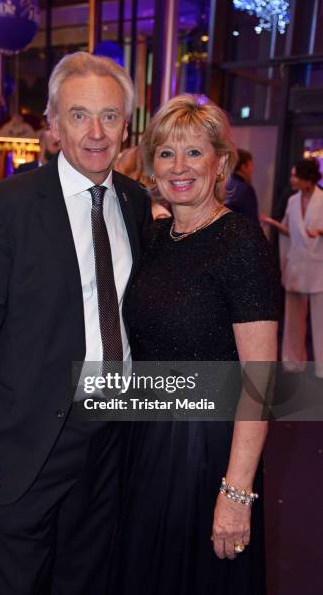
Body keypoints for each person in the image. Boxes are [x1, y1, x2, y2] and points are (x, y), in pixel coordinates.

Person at [0, 52, 150, 594]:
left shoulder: (135, 202)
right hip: (27, 447)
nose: (96, 132)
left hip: (112, 438)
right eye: (79, 115)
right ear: (54, 123)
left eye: (110, 116)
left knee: (88, 579)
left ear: (125, 125)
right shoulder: (4, 208)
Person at [111, 94, 280, 594]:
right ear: (151, 166)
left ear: (221, 162)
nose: (178, 167)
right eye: (166, 153)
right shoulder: (157, 238)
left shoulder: (241, 243)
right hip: (143, 441)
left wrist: (237, 491)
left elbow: (261, 379)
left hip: (205, 452)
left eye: (194, 153)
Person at [262, 158, 323, 377]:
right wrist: (273, 223)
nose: (291, 179)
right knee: (293, 319)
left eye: (295, 175)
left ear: (307, 179)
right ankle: (292, 361)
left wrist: (320, 233)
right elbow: (289, 231)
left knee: (320, 319)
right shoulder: (292, 201)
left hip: (319, 266)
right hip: (296, 264)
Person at [225, 148, 259, 224]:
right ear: (243, 167)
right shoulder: (246, 190)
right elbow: (252, 223)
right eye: (251, 164)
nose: (253, 169)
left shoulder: (222, 185)